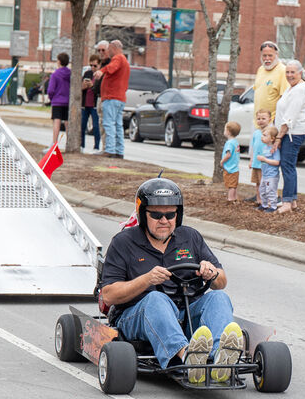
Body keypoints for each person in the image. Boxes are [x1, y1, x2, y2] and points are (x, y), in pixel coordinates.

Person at [100, 179, 244, 384]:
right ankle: (188, 358)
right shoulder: (124, 242)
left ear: (178, 215)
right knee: (156, 298)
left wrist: (211, 273)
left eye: (170, 215)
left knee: (218, 297)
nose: (164, 220)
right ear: (143, 214)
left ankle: (220, 358)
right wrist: (146, 280)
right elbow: (108, 295)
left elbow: (222, 281)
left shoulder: (190, 237)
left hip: (185, 312)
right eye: (156, 215)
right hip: (135, 316)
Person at [274, 60, 305, 214]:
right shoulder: (293, 88)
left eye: (292, 72)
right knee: (288, 166)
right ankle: (292, 200)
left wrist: (278, 138)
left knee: (287, 166)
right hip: (289, 133)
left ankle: (287, 202)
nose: (289, 75)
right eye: (287, 72)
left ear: (300, 73)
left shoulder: (299, 90)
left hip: (292, 134)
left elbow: (289, 118)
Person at [94, 39, 129, 158]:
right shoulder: (124, 60)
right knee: (118, 125)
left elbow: (112, 67)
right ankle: (119, 150)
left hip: (111, 97)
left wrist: (101, 71)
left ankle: (110, 149)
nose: (108, 52)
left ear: (114, 48)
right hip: (119, 97)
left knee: (108, 123)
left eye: (108, 49)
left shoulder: (118, 58)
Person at [254, 40, 288, 119]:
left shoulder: (283, 71)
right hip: (258, 120)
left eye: (270, 55)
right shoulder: (260, 69)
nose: (267, 58)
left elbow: (285, 99)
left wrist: (277, 120)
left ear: (276, 55)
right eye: (264, 55)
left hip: (272, 121)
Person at [47, 52, 71, 146]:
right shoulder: (71, 74)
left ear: (59, 61)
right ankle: (69, 142)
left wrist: (51, 98)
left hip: (57, 101)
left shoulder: (55, 74)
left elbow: (51, 89)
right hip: (68, 101)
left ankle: (54, 143)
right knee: (67, 122)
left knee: (56, 122)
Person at [248, 109, 271, 205]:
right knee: (257, 183)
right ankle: (259, 200)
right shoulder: (256, 133)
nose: (260, 120)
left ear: (269, 119)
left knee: (264, 183)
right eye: (258, 119)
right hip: (256, 163)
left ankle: (267, 201)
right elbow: (253, 148)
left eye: (263, 118)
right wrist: (251, 160)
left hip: (264, 163)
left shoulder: (270, 133)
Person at [256, 124, 281, 212]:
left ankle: (273, 206)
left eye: (265, 135)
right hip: (265, 174)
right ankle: (264, 205)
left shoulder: (275, 149)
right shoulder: (265, 147)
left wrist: (264, 159)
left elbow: (277, 162)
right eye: (262, 135)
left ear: (272, 139)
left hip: (272, 175)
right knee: (262, 190)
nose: (262, 137)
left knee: (271, 191)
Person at [81, 54, 101, 153]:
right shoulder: (87, 73)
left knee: (96, 126)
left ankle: (96, 147)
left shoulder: (100, 75)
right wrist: (83, 86)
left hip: (94, 104)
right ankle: (81, 146)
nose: (93, 67)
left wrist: (92, 85)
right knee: (82, 126)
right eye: (91, 65)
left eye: (95, 65)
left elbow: (99, 90)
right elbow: (80, 87)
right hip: (85, 104)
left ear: (99, 65)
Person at [221, 121, 241, 203]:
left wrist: (222, 161)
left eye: (225, 129)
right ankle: (235, 198)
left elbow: (228, 155)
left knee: (231, 186)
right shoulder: (235, 142)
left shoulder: (229, 143)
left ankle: (230, 199)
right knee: (234, 184)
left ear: (228, 132)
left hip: (230, 168)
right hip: (235, 168)